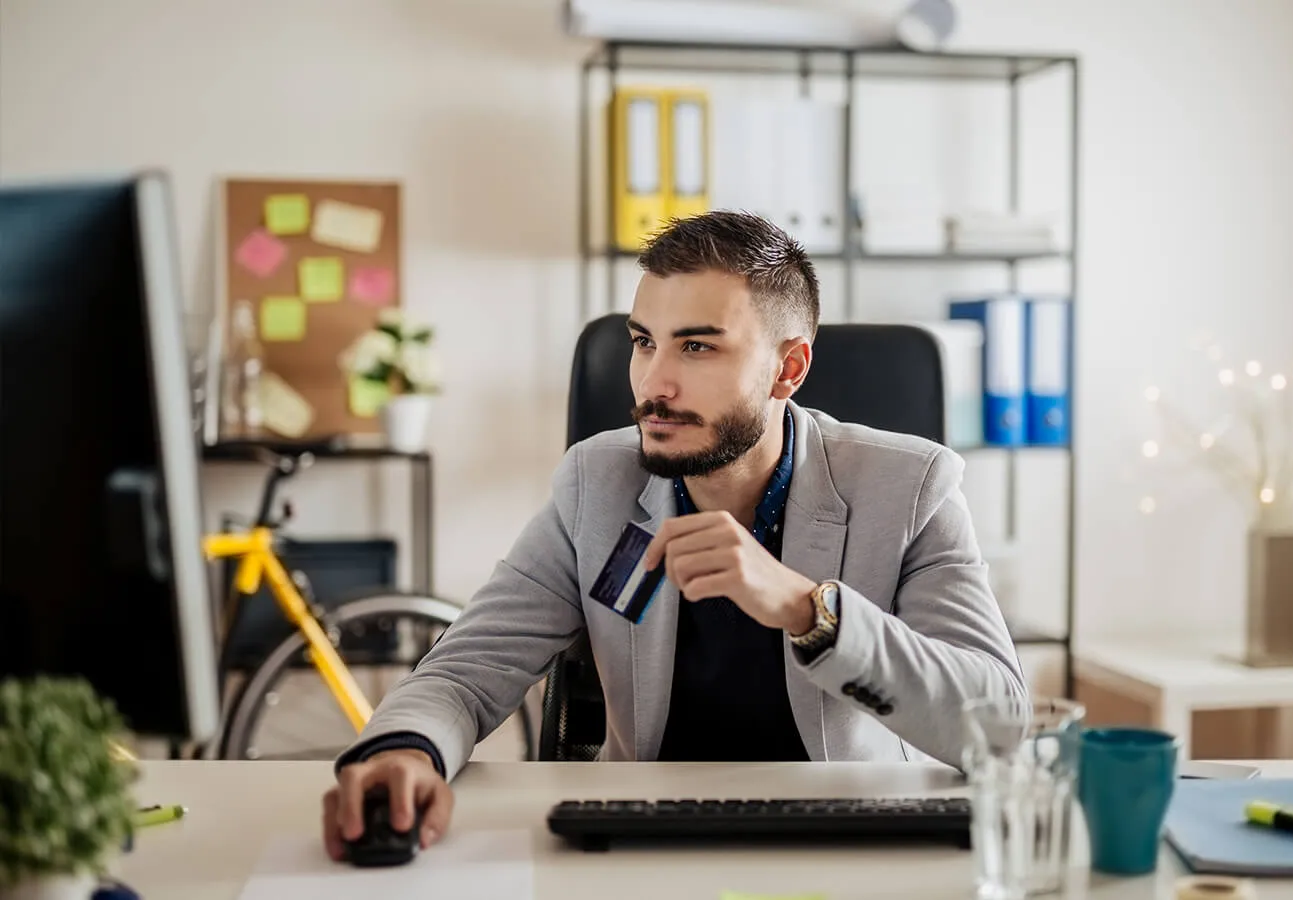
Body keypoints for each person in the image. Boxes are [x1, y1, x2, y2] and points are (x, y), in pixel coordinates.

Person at [321, 210, 1027, 859]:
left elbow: (1001, 725)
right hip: (643, 837)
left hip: (845, 840)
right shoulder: (597, 482)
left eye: (696, 346)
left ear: (788, 369)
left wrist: (811, 613)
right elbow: (466, 671)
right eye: (643, 342)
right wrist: (405, 751)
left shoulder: (910, 487)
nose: (652, 384)